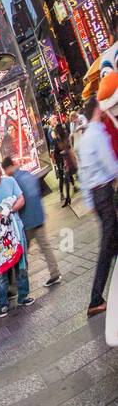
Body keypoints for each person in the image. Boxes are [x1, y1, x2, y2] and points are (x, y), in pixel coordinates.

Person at [78, 90, 118, 317]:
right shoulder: (98, 133)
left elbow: (83, 175)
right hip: (104, 192)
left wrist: (87, 199)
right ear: (97, 109)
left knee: (112, 241)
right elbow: (110, 164)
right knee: (107, 246)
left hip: (96, 194)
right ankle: (95, 299)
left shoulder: (84, 139)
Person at [0, 161, 33, 317]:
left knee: (21, 264)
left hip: (16, 229)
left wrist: (9, 209)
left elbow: (21, 199)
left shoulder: (10, 182)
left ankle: (23, 296)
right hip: (0, 237)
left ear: (0, 172)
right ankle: (2, 304)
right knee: (1, 270)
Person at [2, 157, 61, 288]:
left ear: (8, 168)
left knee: (21, 254)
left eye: (5, 170)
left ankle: (17, 285)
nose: (5, 173)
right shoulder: (27, 175)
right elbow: (37, 193)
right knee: (45, 246)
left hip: (26, 222)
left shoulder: (14, 181)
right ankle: (55, 272)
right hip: (38, 217)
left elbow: (17, 202)